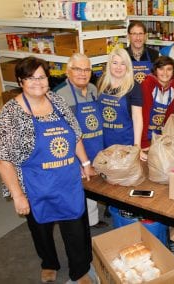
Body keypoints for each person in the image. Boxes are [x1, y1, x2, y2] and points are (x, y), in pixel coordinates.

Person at [0, 57, 94, 283]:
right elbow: (2, 158)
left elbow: (75, 134)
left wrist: (85, 163)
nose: (38, 82)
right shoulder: (11, 113)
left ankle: (80, 270)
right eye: (31, 78)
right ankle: (49, 262)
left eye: (42, 76)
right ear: (20, 81)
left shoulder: (56, 101)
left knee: (75, 226)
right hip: (35, 184)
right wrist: (17, 195)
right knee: (41, 229)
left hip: (67, 180)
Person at [53, 53, 108, 229]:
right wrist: (75, 162)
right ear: (68, 71)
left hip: (95, 145)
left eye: (86, 69)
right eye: (77, 69)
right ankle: (83, 223)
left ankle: (92, 219)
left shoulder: (93, 89)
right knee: (79, 189)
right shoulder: (60, 95)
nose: (83, 73)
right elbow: (59, 133)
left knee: (94, 185)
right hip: (76, 151)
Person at [97, 48, 146, 160]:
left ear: (127, 67)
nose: (118, 67)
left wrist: (137, 147)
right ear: (109, 65)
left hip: (125, 143)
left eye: (123, 64)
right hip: (103, 142)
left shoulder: (134, 86)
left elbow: (137, 118)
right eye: (115, 63)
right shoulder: (102, 82)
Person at [140, 56, 174, 149]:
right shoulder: (147, 83)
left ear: (173, 72)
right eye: (161, 69)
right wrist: (143, 142)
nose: (165, 73)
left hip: (159, 135)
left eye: (169, 69)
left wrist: (167, 135)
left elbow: (170, 113)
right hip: (143, 134)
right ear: (155, 70)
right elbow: (144, 114)